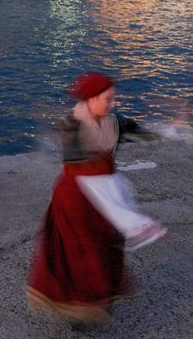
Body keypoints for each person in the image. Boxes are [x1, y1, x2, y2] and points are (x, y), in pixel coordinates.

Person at [26, 73, 165, 328]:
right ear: (90, 99)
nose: (112, 103)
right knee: (80, 252)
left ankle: (100, 299)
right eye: (108, 98)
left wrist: (169, 128)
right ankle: (79, 307)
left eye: (113, 98)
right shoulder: (71, 124)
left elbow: (142, 134)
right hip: (76, 199)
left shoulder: (115, 121)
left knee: (106, 247)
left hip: (107, 197)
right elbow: (73, 159)